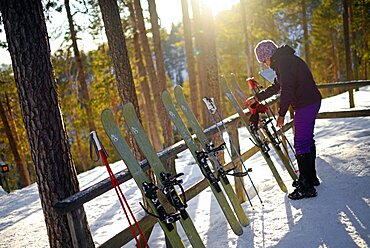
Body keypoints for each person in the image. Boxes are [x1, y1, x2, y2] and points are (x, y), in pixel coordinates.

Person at [246, 40, 322, 200]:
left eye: (263, 60)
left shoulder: (284, 63)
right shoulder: (285, 61)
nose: (265, 65)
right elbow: (277, 86)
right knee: (307, 140)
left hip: (305, 104)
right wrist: (257, 98)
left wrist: (281, 114)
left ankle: (306, 186)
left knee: (301, 142)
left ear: (268, 56)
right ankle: (310, 178)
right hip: (310, 101)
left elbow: (287, 90)